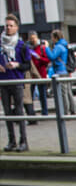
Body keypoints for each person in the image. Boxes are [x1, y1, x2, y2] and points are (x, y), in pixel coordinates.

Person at [0, 13, 31, 151]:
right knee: (7, 113)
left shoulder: (22, 45)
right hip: (3, 82)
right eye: (6, 25)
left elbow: (28, 65)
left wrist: (17, 65)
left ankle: (23, 141)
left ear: (16, 28)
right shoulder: (0, 43)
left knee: (19, 111)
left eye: (11, 26)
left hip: (17, 81)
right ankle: (11, 141)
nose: (8, 28)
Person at [46, 29, 76, 115]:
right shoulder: (64, 45)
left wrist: (47, 48)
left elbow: (52, 57)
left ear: (55, 37)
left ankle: (65, 112)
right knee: (69, 91)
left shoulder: (59, 47)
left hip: (60, 71)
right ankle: (73, 109)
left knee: (63, 93)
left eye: (52, 37)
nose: (51, 39)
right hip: (65, 71)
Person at [27, 31, 50, 117]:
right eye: (31, 39)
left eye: (34, 38)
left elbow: (47, 60)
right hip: (32, 75)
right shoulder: (28, 48)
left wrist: (40, 58)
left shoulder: (41, 48)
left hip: (41, 74)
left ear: (37, 38)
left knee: (42, 94)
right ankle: (31, 112)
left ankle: (45, 112)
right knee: (30, 95)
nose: (33, 40)